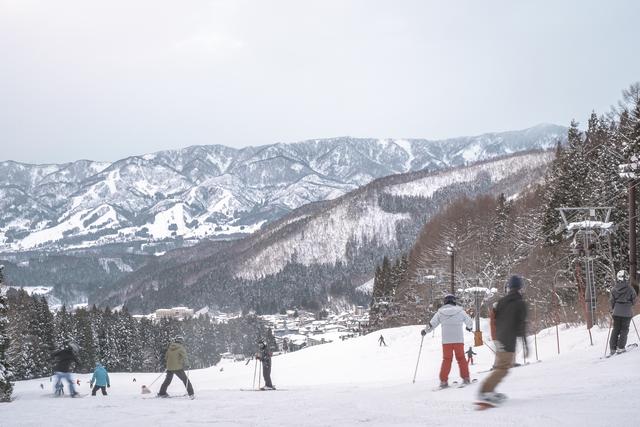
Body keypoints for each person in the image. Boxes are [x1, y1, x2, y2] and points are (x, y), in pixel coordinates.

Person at [477, 275, 528, 405]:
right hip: (508, 340)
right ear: (520, 288)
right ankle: (485, 391)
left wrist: (496, 336)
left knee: (501, 366)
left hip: (499, 338)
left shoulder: (501, 301)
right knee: (503, 368)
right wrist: (525, 344)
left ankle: (489, 390)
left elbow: (495, 319)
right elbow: (521, 325)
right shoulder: (520, 303)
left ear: (509, 287)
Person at [421, 294, 473, 388]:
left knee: (447, 360)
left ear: (445, 302)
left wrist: (425, 331)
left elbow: (432, 324)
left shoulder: (440, 313)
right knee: (461, 359)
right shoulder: (460, 311)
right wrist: (469, 328)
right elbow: (469, 321)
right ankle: (466, 378)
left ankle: (443, 381)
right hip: (458, 340)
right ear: (454, 301)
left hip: (446, 341)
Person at [609, 270, 638, 355]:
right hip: (626, 312)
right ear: (627, 278)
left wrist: (612, 309)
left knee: (616, 329)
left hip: (616, 312)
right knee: (624, 330)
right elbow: (634, 300)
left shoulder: (614, 289)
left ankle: (612, 348)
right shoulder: (630, 288)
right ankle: (621, 347)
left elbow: (611, 301)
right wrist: (630, 304)